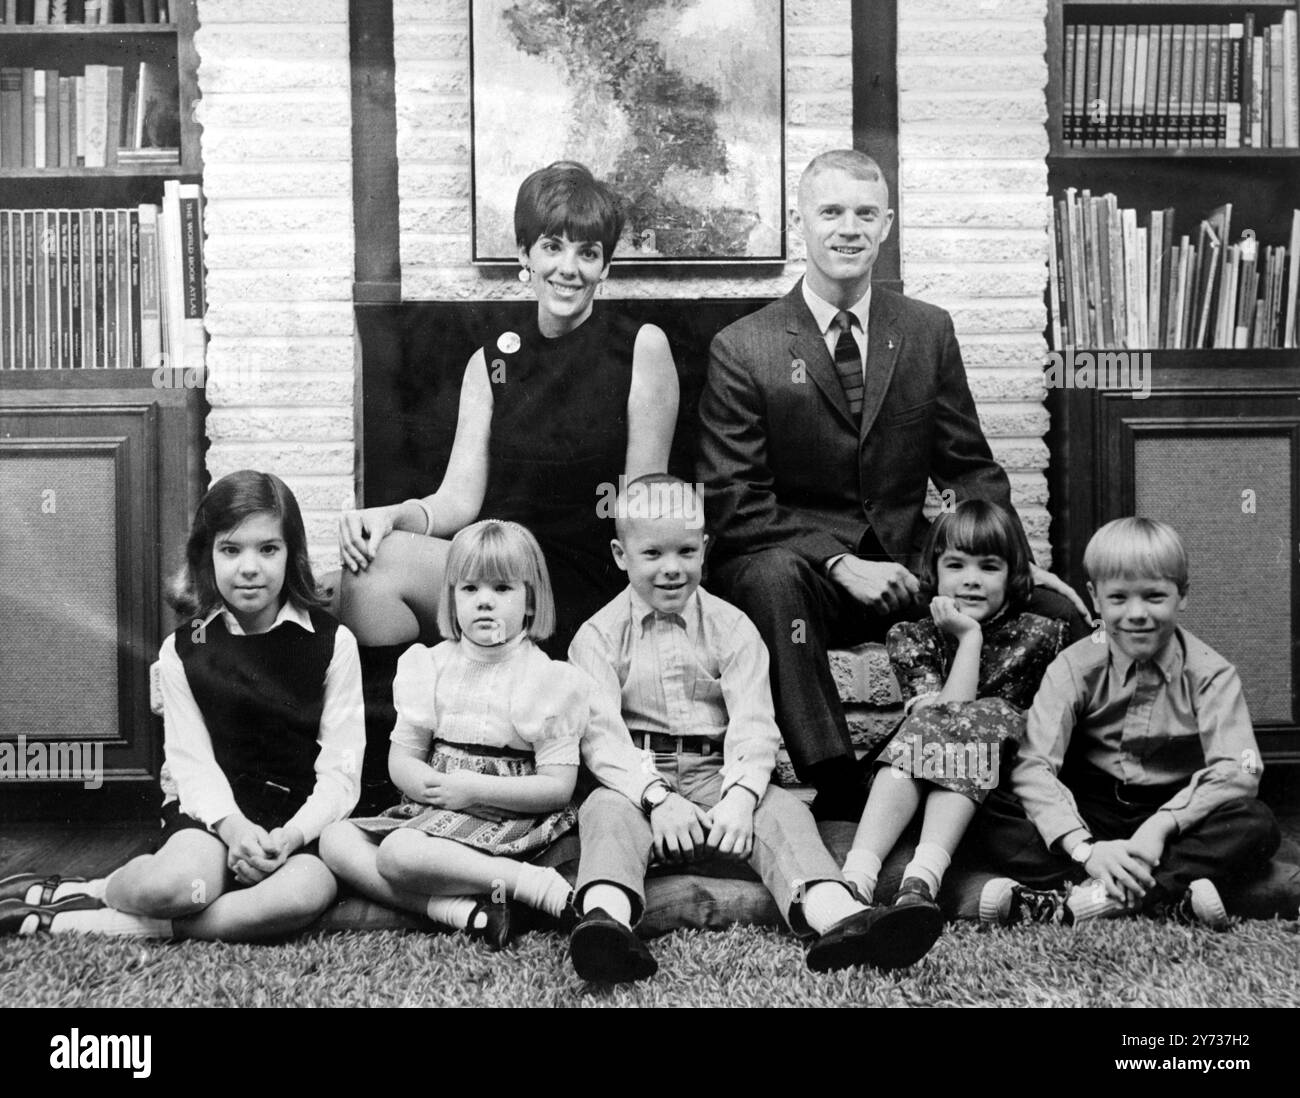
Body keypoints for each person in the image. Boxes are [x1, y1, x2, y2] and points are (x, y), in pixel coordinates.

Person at [696, 148, 1089, 821]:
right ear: (801, 224)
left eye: (864, 213)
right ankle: (838, 780)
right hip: (802, 571)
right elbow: (735, 501)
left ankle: (1043, 789)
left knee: (1057, 615)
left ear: (886, 226)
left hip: (910, 566)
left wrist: (1019, 566)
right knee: (767, 576)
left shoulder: (925, 331)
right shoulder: (745, 347)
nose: (847, 228)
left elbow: (969, 469)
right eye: (831, 212)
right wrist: (842, 562)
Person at [565, 475, 942, 982]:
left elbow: (753, 725)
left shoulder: (734, 628)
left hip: (717, 773)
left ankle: (842, 919)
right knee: (603, 810)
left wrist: (740, 799)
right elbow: (602, 740)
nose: (672, 569)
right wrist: (656, 798)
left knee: (781, 809)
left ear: (705, 548)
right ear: (620, 553)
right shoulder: (597, 636)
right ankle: (606, 926)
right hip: (637, 779)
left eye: (685, 551)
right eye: (652, 553)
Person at [0, 471, 365, 940]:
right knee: (178, 890)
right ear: (206, 556)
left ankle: (82, 921)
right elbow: (191, 763)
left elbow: (342, 768)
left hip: (296, 826)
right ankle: (98, 887)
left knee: (299, 898)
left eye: (267, 549)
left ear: (292, 553)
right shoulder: (184, 648)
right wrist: (232, 829)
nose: (249, 567)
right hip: (214, 816)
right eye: (230, 550)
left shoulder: (334, 643)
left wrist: (290, 836)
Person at [336, 161, 678, 660]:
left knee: (362, 577)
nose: (569, 268)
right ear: (524, 254)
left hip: (585, 578)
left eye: (588, 253)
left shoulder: (640, 349)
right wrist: (390, 515)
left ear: (604, 267)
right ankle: (418, 716)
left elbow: (644, 505)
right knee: (366, 566)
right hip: (497, 567)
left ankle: (493, 672)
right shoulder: (493, 360)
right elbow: (457, 500)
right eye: (552, 246)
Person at [974, 518, 1282, 929]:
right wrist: (1084, 848)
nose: (1136, 614)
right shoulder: (1074, 666)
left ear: (1182, 596)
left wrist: (1160, 826)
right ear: (1095, 599)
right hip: (1091, 810)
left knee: (1255, 822)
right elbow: (1034, 765)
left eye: (1154, 597)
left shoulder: (1212, 673)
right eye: (1118, 598)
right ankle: (1161, 889)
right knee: (984, 802)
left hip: (1174, 814)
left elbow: (1240, 769)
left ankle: (1098, 897)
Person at [320, 520, 588, 950]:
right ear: (451, 598)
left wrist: (472, 789)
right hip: (438, 809)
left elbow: (558, 789)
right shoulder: (429, 665)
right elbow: (403, 757)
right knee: (335, 840)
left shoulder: (546, 679)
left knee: (396, 855)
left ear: (531, 601)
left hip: (509, 816)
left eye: (502, 589)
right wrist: (419, 782)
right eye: (470, 589)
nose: (485, 602)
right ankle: (468, 911)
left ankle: (535, 885)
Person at [840, 500, 1067, 957]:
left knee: (991, 716)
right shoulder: (913, 635)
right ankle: (857, 882)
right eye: (956, 565)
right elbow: (948, 721)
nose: (971, 579)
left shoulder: (1043, 635)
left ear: (1014, 574)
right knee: (944, 721)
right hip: (915, 781)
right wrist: (968, 639)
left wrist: (972, 636)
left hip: (999, 792)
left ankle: (920, 880)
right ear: (934, 573)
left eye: (989, 566)